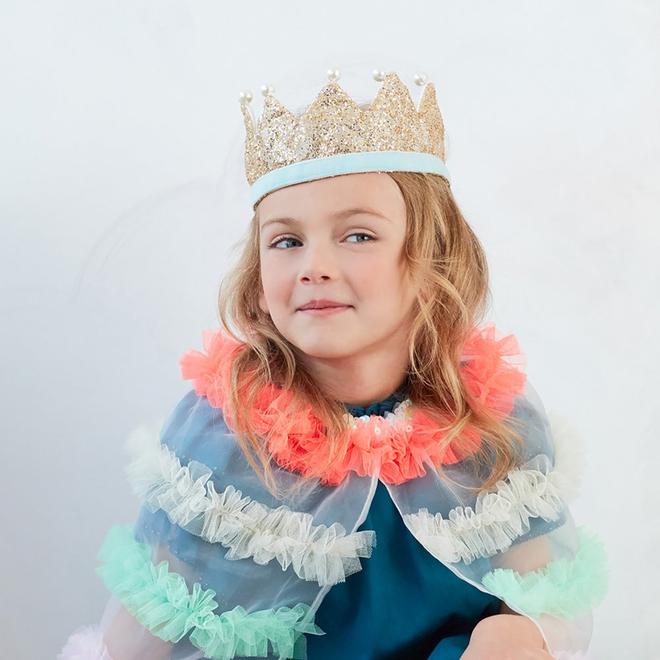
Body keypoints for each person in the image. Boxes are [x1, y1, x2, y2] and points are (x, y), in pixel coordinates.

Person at [58, 68, 608, 660]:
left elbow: (544, 603)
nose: (314, 266)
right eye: (287, 241)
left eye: (358, 236)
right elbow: (138, 636)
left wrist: (514, 633)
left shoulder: (484, 420)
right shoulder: (225, 432)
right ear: (258, 270)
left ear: (432, 257)